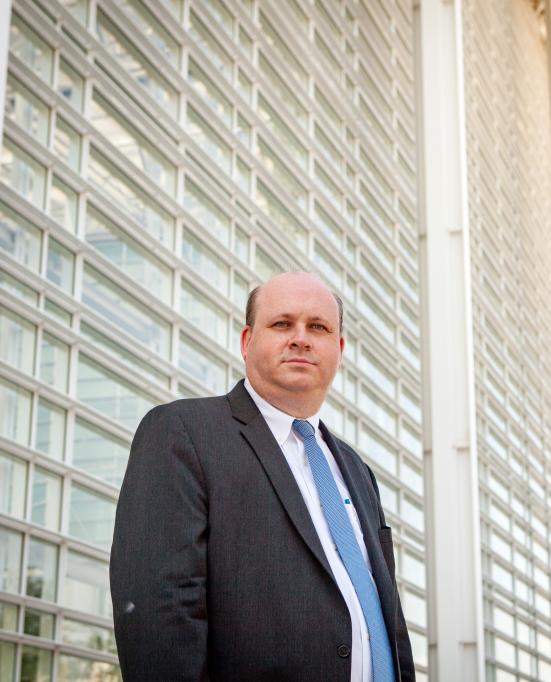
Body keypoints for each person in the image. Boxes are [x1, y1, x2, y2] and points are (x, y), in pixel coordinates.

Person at [110, 271, 415, 681]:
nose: (301, 338)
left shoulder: (357, 471)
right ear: (246, 341)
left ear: (338, 349)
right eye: (282, 324)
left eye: (318, 327)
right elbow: (159, 609)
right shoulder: (183, 433)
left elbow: (387, 620)